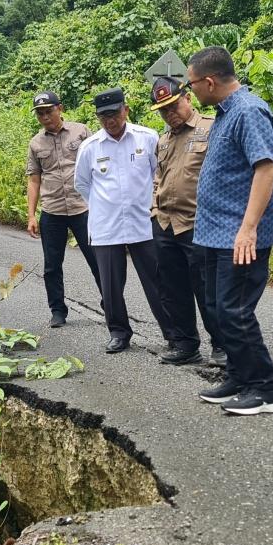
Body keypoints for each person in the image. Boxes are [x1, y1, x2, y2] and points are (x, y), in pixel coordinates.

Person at [185, 47, 273, 416]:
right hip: (214, 233)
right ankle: (240, 376)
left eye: (192, 84)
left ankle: (265, 389)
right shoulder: (225, 113)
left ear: (208, 81)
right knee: (218, 309)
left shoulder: (248, 111)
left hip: (238, 236)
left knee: (236, 311)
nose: (191, 91)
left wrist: (248, 229)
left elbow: (265, 170)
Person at [75, 87, 175, 353]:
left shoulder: (147, 138)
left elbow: (159, 176)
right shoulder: (89, 147)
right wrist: (105, 206)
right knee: (110, 286)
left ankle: (173, 333)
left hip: (144, 223)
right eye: (103, 116)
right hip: (106, 227)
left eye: (114, 113)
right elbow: (82, 184)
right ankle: (119, 332)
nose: (110, 120)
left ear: (125, 110)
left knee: (158, 282)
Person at [149, 76, 226, 367]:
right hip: (166, 223)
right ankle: (185, 344)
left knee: (207, 288)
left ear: (188, 98)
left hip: (198, 223)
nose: (169, 114)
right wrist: (154, 208)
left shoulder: (211, 128)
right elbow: (159, 176)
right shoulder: (164, 139)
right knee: (172, 288)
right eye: (163, 110)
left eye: (173, 106)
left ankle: (221, 345)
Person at [25, 90, 102, 328]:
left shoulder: (82, 132)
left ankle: (110, 305)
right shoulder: (36, 143)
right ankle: (57, 310)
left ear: (60, 108)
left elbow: (99, 164)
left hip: (83, 207)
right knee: (52, 265)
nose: (45, 117)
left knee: (97, 260)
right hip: (53, 210)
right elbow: (33, 179)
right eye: (40, 113)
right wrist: (31, 215)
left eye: (48, 111)